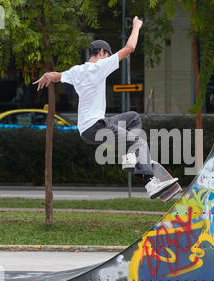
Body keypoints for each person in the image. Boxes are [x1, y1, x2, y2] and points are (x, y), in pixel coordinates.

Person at [33, 16, 178, 199]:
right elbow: (130, 48)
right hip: (96, 126)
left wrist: (47, 75)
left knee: (133, 117)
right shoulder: (100, 66)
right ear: (101, 52)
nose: (109, 60)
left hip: (88, 127)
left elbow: (56, 76)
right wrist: (137, 26)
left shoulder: (77, 71)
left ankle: (130, 158)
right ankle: (150, 183)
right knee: (139, 141)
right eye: (108, 55)